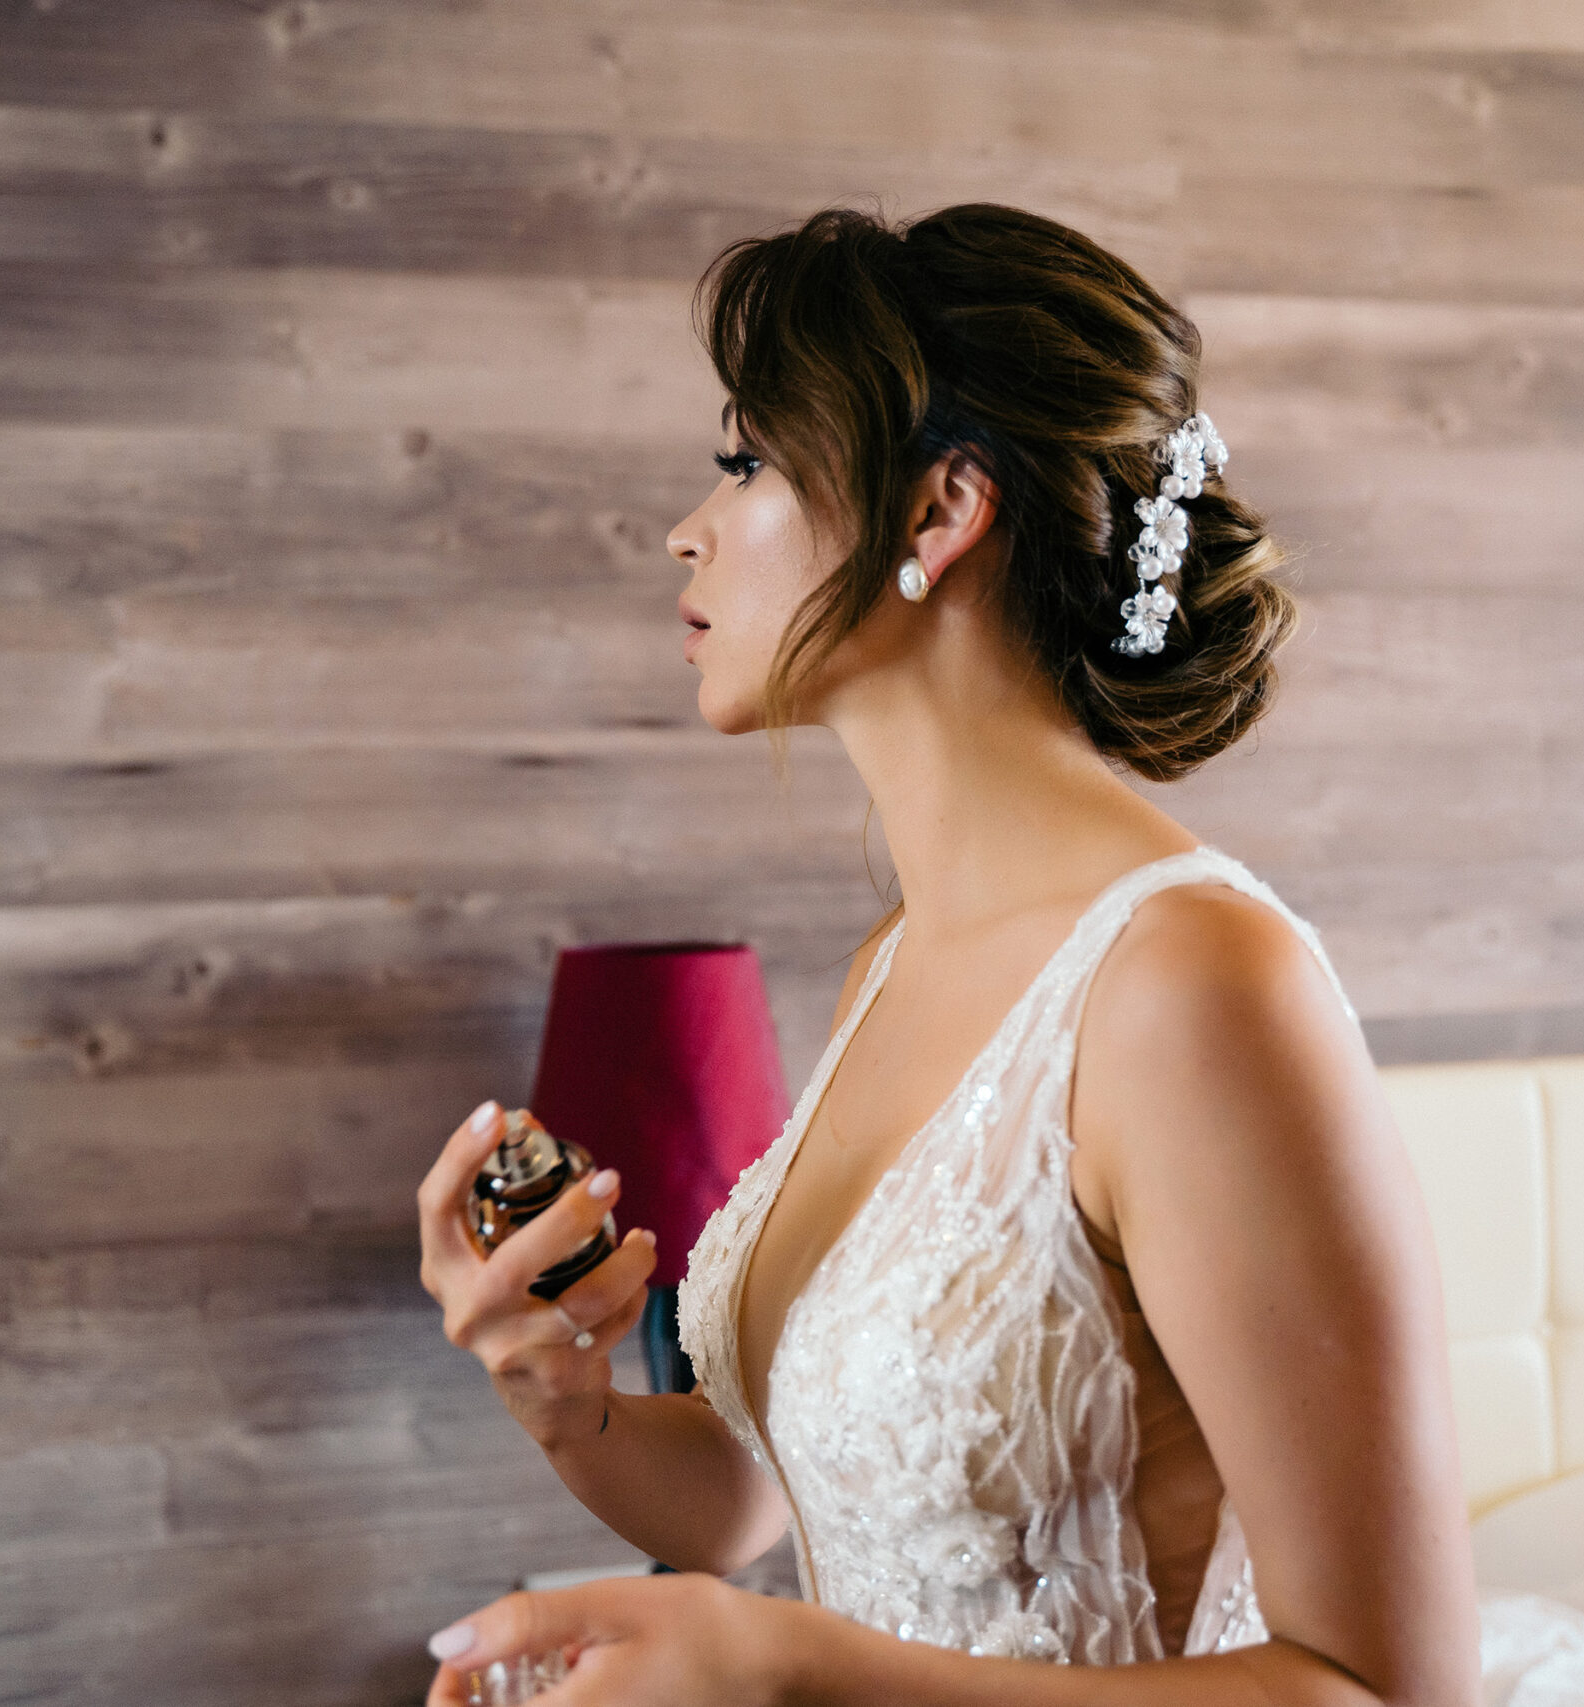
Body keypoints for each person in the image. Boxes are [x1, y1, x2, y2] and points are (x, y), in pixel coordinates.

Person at [415, 203, 1479, 1707]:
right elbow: (754, 1498)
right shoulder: (894, 969)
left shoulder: (1196, 987)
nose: (689, 526)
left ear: (937, 514)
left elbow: (1387, 1692)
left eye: (751, 461)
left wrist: (785, 1663)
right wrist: (562, 1396)